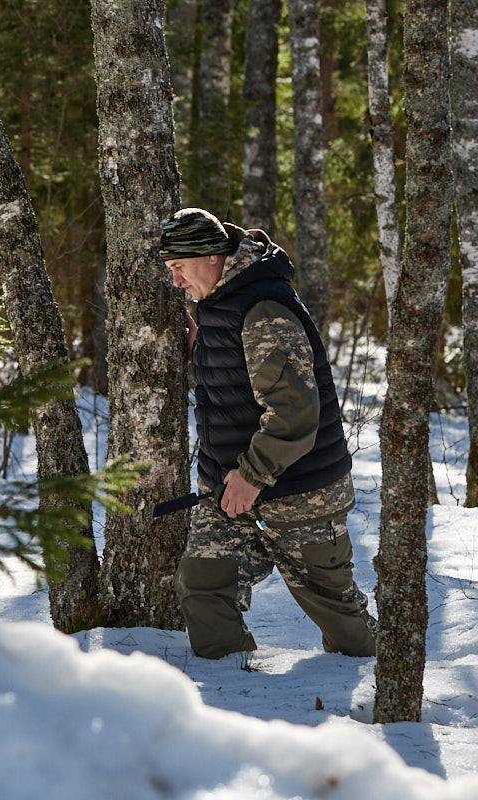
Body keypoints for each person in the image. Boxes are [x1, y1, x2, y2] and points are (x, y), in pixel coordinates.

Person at [160, 207, 377, 662]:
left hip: (301, 491)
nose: (176, 281)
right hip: (229, 488)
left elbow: (295, 412)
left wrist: (252, 476)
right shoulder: (217, 302)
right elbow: (234, 384)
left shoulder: (264, 310)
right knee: (202, 586)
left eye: (180, 268)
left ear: (213, 257)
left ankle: (390, 690)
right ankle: (228, 691)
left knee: (342, 621)